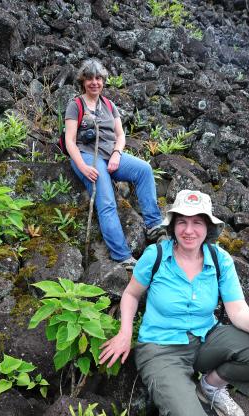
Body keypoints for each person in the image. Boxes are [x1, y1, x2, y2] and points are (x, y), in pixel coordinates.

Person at [99, 189, 249, 416]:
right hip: (161, 350)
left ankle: (210, 386)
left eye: (197, 222)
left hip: (206, 340)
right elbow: (131, 295)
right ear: (172, 226)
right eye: (182, 221)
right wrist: (125, 333)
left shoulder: (220, 259)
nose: (189, 230)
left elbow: (238, 310)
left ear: (208, 227)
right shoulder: (156, 256)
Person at [65, 58, 164, 268]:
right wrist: (83, 167)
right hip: (87, 155)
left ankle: (154, 225)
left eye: (98, 78)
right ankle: (122, 256)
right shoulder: (75, 105)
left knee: (144, 170)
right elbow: (69, 141)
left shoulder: (109, 105)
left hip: (111, 154)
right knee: (107, 200)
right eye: (90, 78)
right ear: (83, 81)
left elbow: (120, 135)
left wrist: (118, 153)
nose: (94, 82)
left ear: (103, 80)